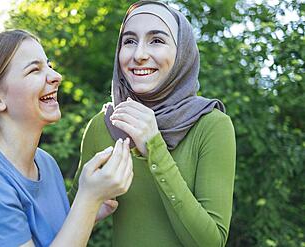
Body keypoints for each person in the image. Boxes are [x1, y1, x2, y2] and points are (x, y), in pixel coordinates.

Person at [0, 30, 133, 247]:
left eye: (48, 65)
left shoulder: (45, 163)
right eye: (34, 70)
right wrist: (88, 199)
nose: (56, 76)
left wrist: (89, 211)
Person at [68, 1, 236, 246]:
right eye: (129, 41)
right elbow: (62, 224)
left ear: (182, 53)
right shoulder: (103, 126)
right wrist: (89, 210)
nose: (139, 55)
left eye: (156, 40)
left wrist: (155, 148)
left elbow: (212, 242)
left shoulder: (211, 125)